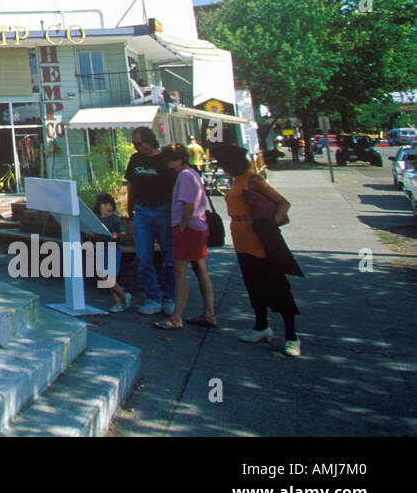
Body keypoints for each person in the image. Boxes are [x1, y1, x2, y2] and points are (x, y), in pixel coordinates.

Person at [212, 143, 304, 356]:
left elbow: (283, 203)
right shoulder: (237, 180)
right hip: (242, 239)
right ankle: (261, 326)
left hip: (259, 239)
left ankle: (292, 337)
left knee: (277, 285)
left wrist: (271, 225)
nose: (221, 168)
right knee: (254, 285)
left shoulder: (252, 179)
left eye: (223, 164)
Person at [156, 144, 217, 329]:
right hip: (199, 227)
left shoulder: (183, 176)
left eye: (169, 159)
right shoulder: (193, 174)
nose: (167, 163)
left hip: (188, 229)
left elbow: (188, 205)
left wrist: (181, 228)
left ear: (179, 159)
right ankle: (209, 313)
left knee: (179, 273)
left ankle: (176, 317)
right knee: (200, 269)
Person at [124, 126, 178, 316]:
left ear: (149, 141)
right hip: (143, 210)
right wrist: (129, 207)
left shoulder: (163, 159)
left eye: (139, 143)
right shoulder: (135, 159)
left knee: (168, 255)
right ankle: (152, 297)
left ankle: (170, 296)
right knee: (144, 255)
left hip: (163, 209)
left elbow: (175, 187)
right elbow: (131, 184)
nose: (137, 147)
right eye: (134, 144)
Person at [92, 193, 130, 313]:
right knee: (106, 277)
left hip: (112, 249)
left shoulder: (115, 219)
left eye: (111, 204)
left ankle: (123, 298)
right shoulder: (97, 219)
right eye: (105, 204)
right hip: (100, 248)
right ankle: (120, 302)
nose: (109, 207)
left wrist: (117, 235)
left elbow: (124, 234)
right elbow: (94, 233)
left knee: (109, 277)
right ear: (99, 206)